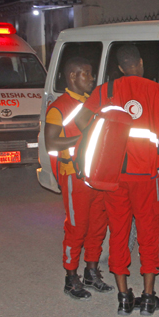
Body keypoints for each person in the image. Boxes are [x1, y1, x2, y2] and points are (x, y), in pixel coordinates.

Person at [76, 45, 159, 316]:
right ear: (140, 63)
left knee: (118, 233)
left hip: (113, 174)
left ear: (119, 67)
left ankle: (123, 298)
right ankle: (149, 297)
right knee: (148, 234)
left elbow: (83, 121)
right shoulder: (157, 91)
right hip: (145, 175)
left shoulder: (105, 91)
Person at [44, 57, 112, 301]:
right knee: (77, 227)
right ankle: (70, 277)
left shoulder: (95, 104)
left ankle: (91, 272)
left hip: (97, 174)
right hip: (73, 174)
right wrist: (83, 140)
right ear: (73, 76)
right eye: (87, 73)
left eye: (91, 74)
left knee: (97, 226)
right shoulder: (59, 107)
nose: (92, 79)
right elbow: (51, 142)